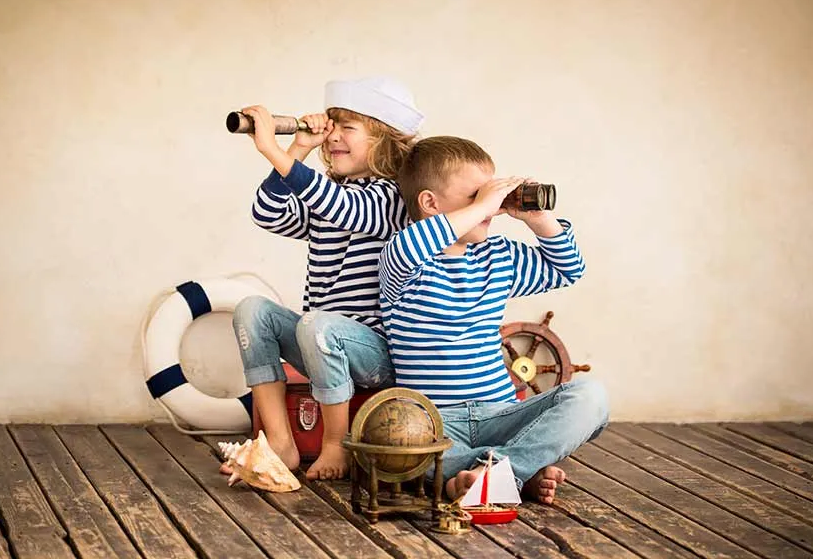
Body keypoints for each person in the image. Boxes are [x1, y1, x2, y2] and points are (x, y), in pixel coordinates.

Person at [378, 135, 609, 504]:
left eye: (491, 195)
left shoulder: (497, 256)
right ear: (430, 203)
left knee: (592, 396)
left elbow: (569, 270)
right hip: (433, 423)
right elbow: (416, 243)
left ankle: (495, 470)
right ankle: (515, 470)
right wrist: (485, 205)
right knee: (391, 445)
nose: (491, 206)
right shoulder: (404, 257)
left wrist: (538, 218)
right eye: (476, 196)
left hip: (501, 414)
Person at [232, 77, 423, 480]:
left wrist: (272, 151)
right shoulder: (329, 194)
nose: (332, 136)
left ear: (385, 141)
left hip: (375, 356)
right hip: (318, 343)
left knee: (319, 324)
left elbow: (341, 206)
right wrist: (297, 148)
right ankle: (281, 444)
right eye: (331, 126)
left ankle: (335, 445)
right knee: (253, 311)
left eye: (347, 128)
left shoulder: (392, 199)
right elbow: (267, 214)